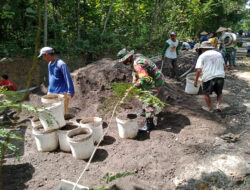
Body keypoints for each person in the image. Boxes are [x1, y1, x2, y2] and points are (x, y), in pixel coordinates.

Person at [117, 48, 164, 131]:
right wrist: (133, 83)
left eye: (124, 61)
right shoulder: (135, 57)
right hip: (149, 79)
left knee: (148, 100)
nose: (124, 63)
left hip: (156, 80)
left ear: (128, 58)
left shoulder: (137, 63)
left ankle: (150, 125)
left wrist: (133, 87)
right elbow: (135, 74)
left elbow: (144, 78)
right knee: (140, 92)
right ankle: (144, 111)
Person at [38, 47, 75, 115]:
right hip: (51, 92)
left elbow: (67, 77)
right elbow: (51, 77)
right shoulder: (49, 64)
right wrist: (49, 89)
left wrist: (71, 91)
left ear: (47, 54)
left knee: (62, 114)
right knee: (51, 113)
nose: (43, 58)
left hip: (61, 93)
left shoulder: (61, 64)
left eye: (43, 56)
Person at [194, 41, 226, 112]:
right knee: (219, 92)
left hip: (209, 77)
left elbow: (199, 70)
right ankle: (218, 106)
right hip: (220, 76)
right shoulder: (219, 54)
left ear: (202, 49)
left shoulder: (202, 56)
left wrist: (196, 81)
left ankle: (210, 108)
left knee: (205, 93)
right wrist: (221, 73)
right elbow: (224, 67)